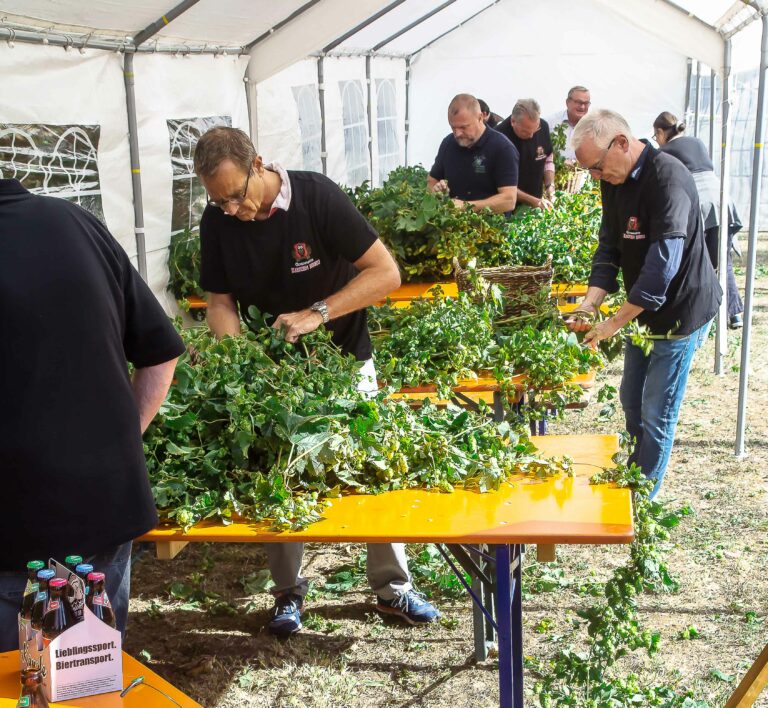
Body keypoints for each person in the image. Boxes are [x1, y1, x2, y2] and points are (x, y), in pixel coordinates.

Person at [194, 126, 440, 637]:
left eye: (237, 196)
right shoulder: (217, 221)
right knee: (278, 472)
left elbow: (386, 273)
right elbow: (219, 302)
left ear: (258, 164)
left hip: (345, 361)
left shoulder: (316, 196)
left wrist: (318, 312)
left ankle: (392, 588)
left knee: (372, 468)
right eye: (220, 203)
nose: (233, 210)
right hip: (275, 373)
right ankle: (288, 593)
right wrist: (237, 355)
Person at [0, 179, 184, 651]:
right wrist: (122, 440)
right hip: (103, 506)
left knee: (29, 685)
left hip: (17, 534)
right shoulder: (75, 222)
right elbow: (161, 353)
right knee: (87, 683)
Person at [566, 109, 721, 500]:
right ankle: (636, 476)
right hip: (641, 312)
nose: (597, 177)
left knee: (656, 413)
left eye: (597, 167)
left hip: (679, 313)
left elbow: (660, 270)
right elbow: (609, 247)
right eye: (591, 172)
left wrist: (611, 324)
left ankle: (643, 504)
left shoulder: (668, 178)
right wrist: (589, 306)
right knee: (630, 399)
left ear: (621, 142)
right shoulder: (613, 180)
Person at [653, 111, 744, 328]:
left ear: (659, 132)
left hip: (698, 203)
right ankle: (734, 315)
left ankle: (706, 310)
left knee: (698, 258)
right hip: (721, 200)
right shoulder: (697, 142)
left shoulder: (665, 152)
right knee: (723, 260)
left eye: (656, 136)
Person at [428, 94, 519, 215]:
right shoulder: (448, 143)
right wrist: (436, 191)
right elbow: (432, 180)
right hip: (453, 227)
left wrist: (466, 207)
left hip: (490, 229)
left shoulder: (502, 147)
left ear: (480, 117)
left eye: (463, 127)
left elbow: (509, 200)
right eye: (453, 127)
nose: (457, 133)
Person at [495, 99, 555, 210]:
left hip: (536, 203)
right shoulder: (498, 137)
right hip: (509, 209)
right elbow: (502, 184)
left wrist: (549, 186)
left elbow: (548, 159)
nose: (532, 136)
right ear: (513, 121)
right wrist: (535, 201)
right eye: (526, 131)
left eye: (535, 129)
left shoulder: (544, 127)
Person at [545, 85, 591, 161]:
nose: (582, 107)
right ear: (567, 102)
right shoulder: (549, 123)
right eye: (579, 102)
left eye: (586, 103)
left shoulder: (593, 127)